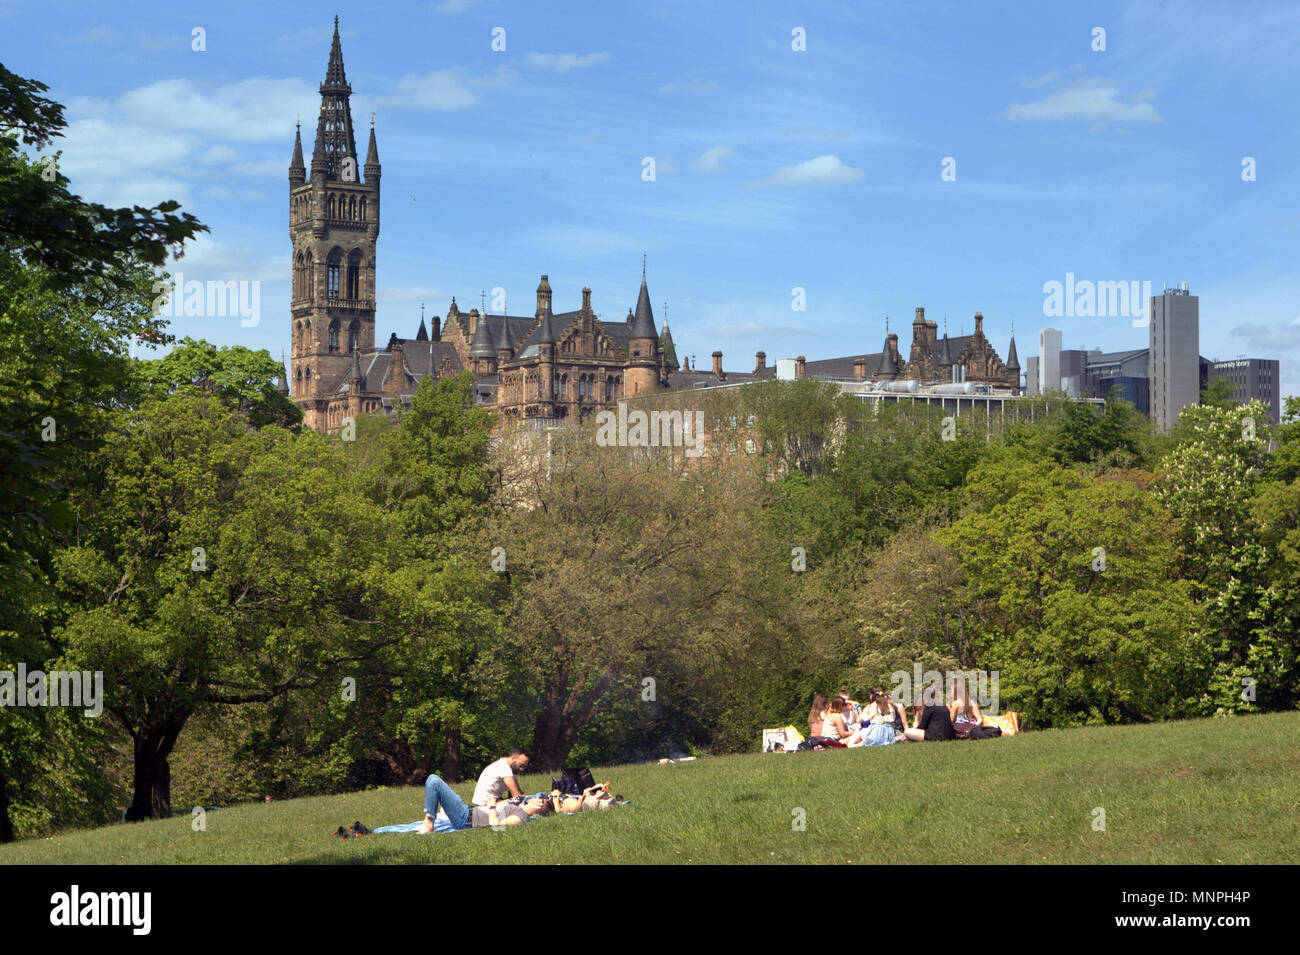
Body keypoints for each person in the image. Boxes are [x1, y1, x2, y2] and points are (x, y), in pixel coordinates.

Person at [417, 774, 553, 834]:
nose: (534, 797)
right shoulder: (519, 809)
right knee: (435, 784)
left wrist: (493, 806)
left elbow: (497, 826)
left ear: (540, 804)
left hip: (465, 818)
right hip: (468, 812)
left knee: (434, 780)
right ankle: (429, 821)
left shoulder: (521, 816)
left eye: (537, 797)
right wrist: (490, 803)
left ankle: (429, 824)